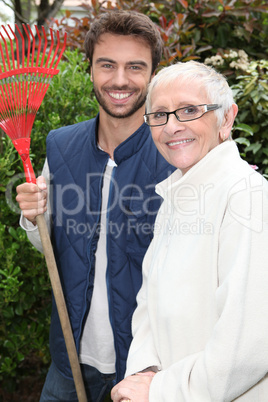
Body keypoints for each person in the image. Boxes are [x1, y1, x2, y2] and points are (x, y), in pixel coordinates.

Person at [16, 10, 174, 402]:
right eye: (107, 65)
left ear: (153, 74)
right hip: (69, 364)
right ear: (89, 70)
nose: (120, 80)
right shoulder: (62, 145)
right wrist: (34, 217)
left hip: (145, 369)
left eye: (135, 67)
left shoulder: (174, 155)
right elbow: (54, 247)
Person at [111, 60, 268, 402]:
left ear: (226, 118)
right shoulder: (175, 196)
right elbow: (149, 305)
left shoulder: (247, 196)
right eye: (160, 114)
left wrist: (161, 390)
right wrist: (145, 371)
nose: (171, 127)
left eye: (189, 110)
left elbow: (250, 344)